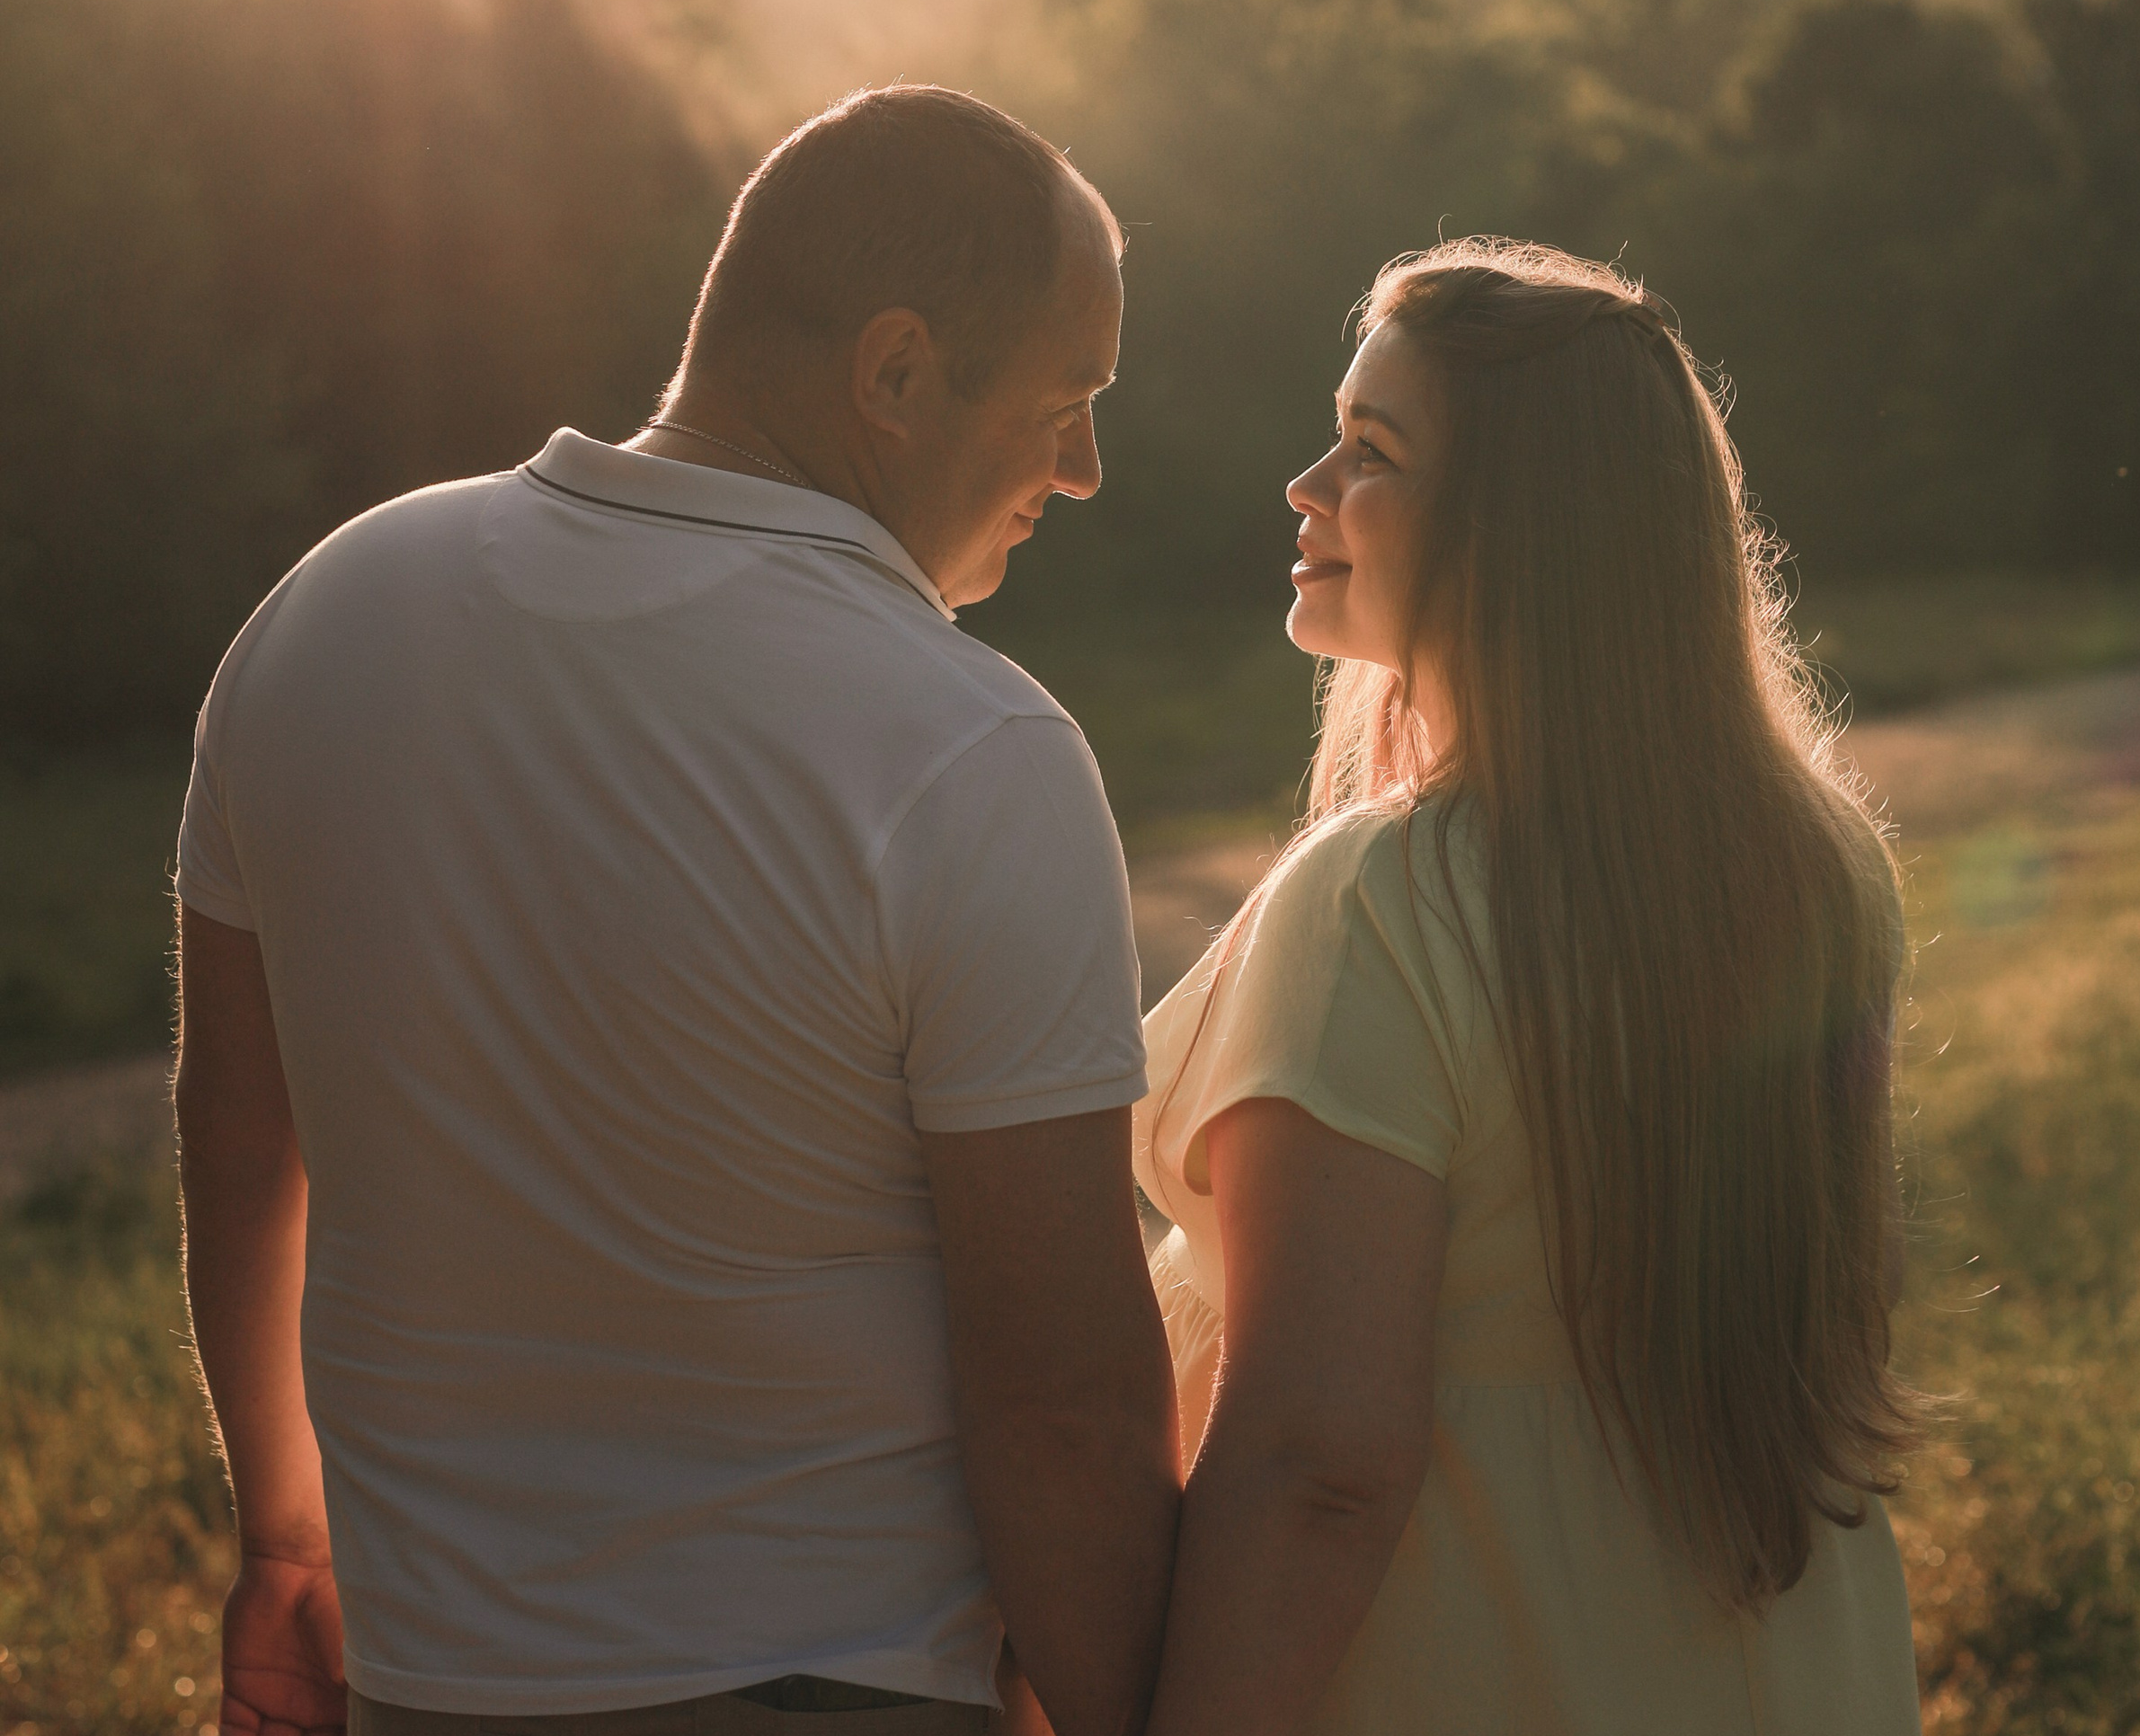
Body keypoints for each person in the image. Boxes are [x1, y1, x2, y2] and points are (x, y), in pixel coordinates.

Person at [174, 84, 1180, 1736]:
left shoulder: (326, 609)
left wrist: (287, 1540)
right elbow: (1062, 1400)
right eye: (1068, 400)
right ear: (899, 372)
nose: (1081, 470)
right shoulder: (967, 745)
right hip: (838, 1687)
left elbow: (236, 1144)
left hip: (430, 1687)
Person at [1133, 239, 1924, 1734]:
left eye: (1370, 452)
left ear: (1523, 528)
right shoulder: (1816, 874)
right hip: (1778, 1670)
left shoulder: (1388, 899)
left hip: (1485, 1661)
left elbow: (1318, 1464)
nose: (1307, 484)